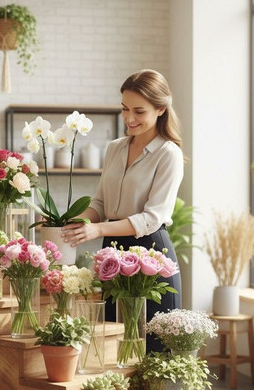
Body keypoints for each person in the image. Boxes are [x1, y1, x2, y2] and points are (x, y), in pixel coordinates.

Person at [61, 69, 184, 350]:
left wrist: (98, 229)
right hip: (113, 254)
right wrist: (69, 223)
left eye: (139, 111)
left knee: (152, 347)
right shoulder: (115, 148)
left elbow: (151, 218)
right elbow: (100, 203)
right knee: (117, 344)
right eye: (124, 109)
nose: (129, 118)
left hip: (152, 255)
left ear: (161, 109)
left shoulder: (169, 154)